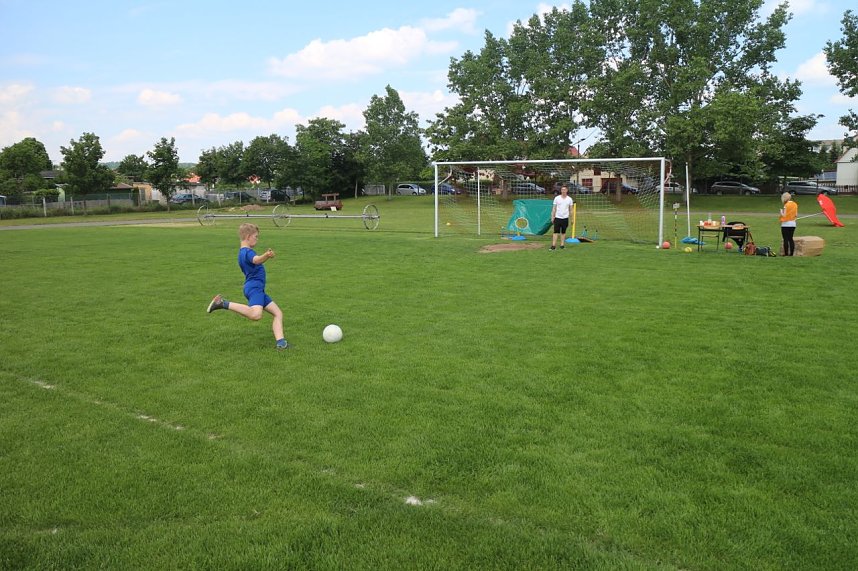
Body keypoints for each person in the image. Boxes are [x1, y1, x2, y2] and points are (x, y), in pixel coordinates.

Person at [207, 223, 289, 350]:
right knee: (256, 315)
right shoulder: (247, 252)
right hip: (254, 288)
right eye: (256, 236)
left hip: (257, 289)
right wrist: (266, 255)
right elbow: (256, 260)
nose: (257, 239)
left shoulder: (242, 252)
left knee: (278, 313)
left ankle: (281, 342)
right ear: (248, 236)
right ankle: (222, 303)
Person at [550, 184, 574, 250]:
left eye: (565, 190)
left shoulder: (569, 199)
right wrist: (552, 217)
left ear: (567, 190)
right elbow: (554, 208)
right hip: (557, 218)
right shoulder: (557, 198)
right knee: (555, 232)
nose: (563, 191)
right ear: (561, 191)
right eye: (562, 190)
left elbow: (571, 210)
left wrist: (572, 219)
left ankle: (562, 245)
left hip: (565, 218)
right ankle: (553, 246)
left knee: (563, 232)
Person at [779, 191, 797, 256]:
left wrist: (781, 212)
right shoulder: (795, 204)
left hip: (785, 224)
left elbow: (784, 215)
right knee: (791, 238)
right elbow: (796, 214)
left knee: (785, 239)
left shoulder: (786, 205)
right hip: (793, 224)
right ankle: (791, 253)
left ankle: (786, 253)